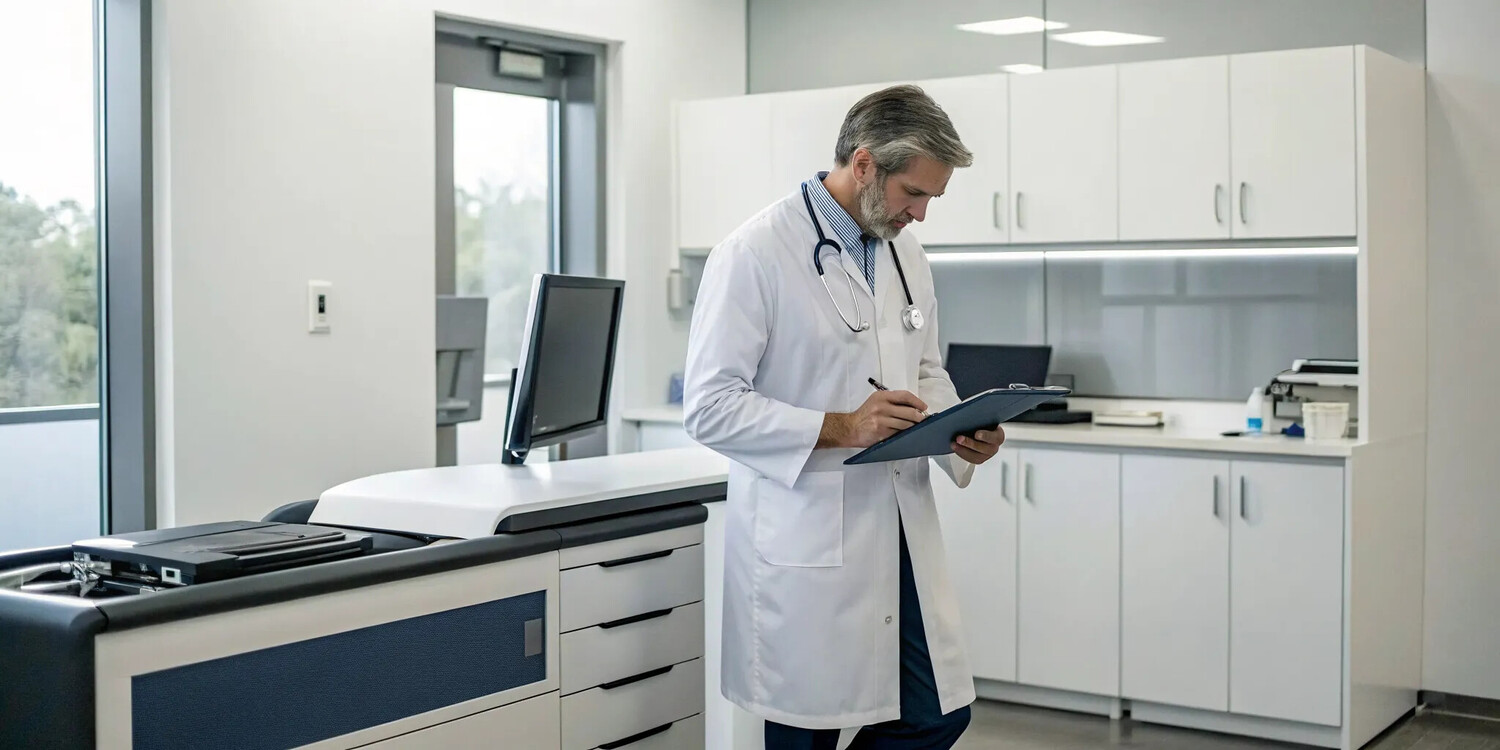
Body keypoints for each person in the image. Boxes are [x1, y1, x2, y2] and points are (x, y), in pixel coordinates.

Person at [683, 85, 1006, 750]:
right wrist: (841, 426)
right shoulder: (754, 254)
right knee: (808, 732)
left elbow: (924, 369)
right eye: (912, 193)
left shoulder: (901, 250)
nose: (919, 214)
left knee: (937, 713)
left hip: (896, 524)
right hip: (806, 530)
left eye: (928, 199)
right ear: (865, 164)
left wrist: (958, 432)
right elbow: (709, 408)